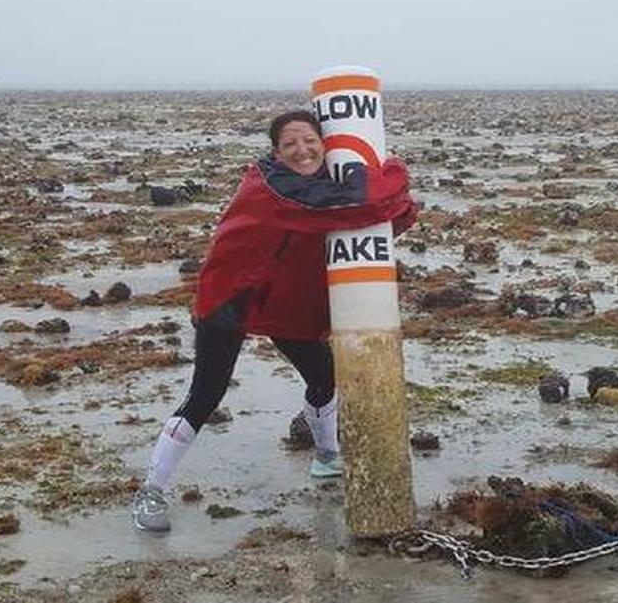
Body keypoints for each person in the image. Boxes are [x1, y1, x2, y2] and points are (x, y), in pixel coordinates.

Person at [133, 110, 418, 533]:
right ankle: (151, 490)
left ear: (326, 144)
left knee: (324, 375)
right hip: (233, 295)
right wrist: (392, 169)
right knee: (206, 394)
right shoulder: (270, 186)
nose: (302, 150)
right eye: (290, 144)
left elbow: (385, 216)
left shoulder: (325, 185)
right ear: (276, 152)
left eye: (310, 141)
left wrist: (386, 194)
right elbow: (356, 204)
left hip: (286, 302)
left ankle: (325, 457)